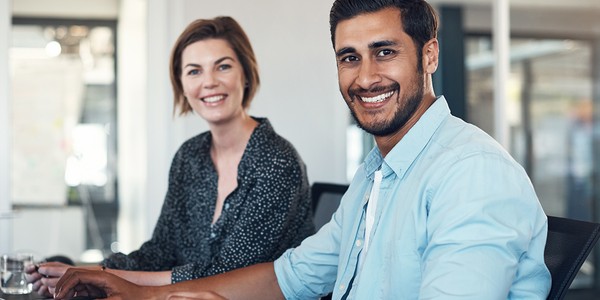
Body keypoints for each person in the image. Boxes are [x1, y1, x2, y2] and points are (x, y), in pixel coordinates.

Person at [52, 0, 552, 299]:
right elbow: (287, 277)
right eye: (349, 58)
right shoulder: (377, 175)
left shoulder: (471, 174)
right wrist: (133, 291)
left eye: (385, 52)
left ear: (429, 55)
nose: (366, 76)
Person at [28, 16, 314, 297]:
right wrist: (85, 272)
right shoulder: (189, 157)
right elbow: (161, 250)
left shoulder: (278, 162)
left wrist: (104, 277)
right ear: (182, 85)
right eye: (194, 71)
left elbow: (229, 275)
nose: (209, 82)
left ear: (246, 74)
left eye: (223, 67)